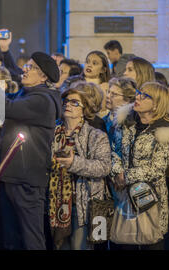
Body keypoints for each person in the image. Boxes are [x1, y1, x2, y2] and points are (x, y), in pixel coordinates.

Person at [0, 49, 62, 250]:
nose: (24, 70)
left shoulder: (43, 100)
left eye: (30, 67)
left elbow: (3, 106)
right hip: (11, 177)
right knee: (11, 239)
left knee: (31, 239)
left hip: (27, 182)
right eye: (26, 66)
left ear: (43, 76)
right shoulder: (26, 93)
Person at [111, 82, 169, 250]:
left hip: (150, 196)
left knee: (151, 240)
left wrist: (126, 176)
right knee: (124, 241)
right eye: (139, 92)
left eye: (145, 96)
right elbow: (115, 151)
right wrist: (117, 173)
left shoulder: (166, 129)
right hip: (123, 193)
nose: (137, 97)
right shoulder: (126, 122)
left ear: (156, 104)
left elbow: (157, 168)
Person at [49, 87, 111, 250]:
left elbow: (104, 167)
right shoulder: (51, 131)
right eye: (66, 101)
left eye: (75, 102)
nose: (68, 105)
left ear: (85, 110)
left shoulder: (96, 135)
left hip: (83, 203)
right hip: (55, 203)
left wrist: (73, 163)